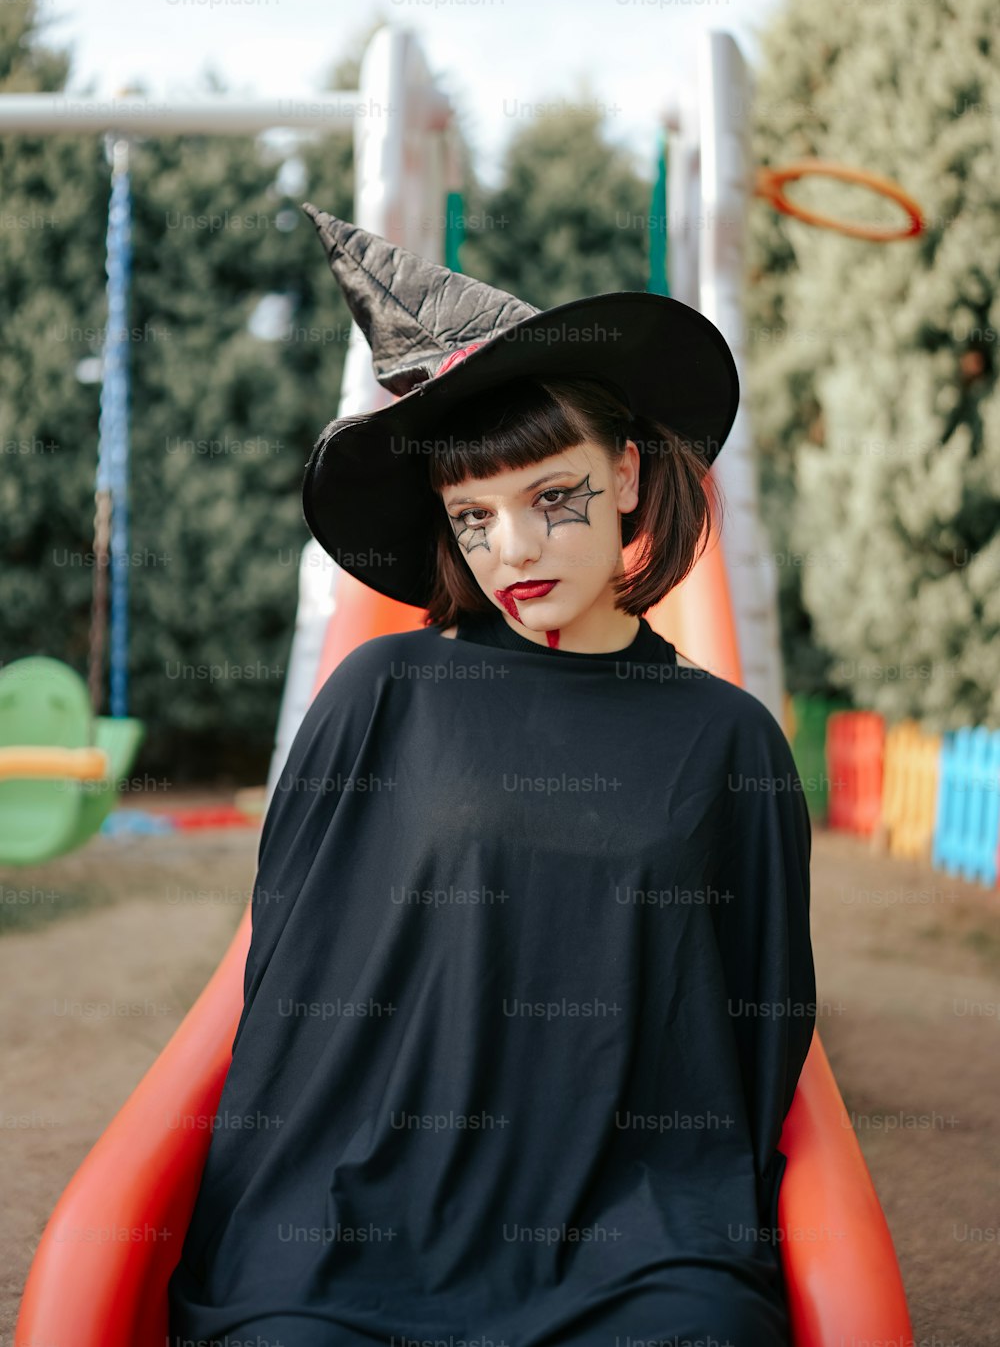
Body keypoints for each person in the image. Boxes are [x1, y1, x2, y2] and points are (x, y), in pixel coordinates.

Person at [168, 210, 816, 1347]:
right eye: (473, 516)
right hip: (362, 1216)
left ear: (624, 473)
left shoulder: (728, 742)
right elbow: (291, 980)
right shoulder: (382, 694)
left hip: (631, 1231)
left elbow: (760, 1024)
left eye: (548, 496)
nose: (511, 549)